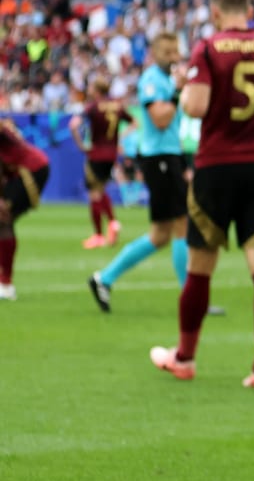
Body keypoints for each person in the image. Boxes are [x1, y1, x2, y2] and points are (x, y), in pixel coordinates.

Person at [150, 0, 254, 390]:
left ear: (215, 13)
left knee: (200, 268)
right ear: (248, 9)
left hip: (216, 167)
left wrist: (183, 87)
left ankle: (185, 358)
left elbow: (196, 107)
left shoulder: (209, 48)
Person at [89, 33, 196, 313]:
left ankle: (105, 278)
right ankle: (190, 298)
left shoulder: (164, 79)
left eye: (177, 51)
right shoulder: (152, 80)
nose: (175, 57)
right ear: (156, 53)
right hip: (159, 157)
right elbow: (160, 120)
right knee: (181, 225)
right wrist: (177, 90)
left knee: (161, 234)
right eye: (169, 51)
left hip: (168, 155)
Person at [69, 92, 131, 248]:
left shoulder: (93, 106)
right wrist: (120, 137)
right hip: (111, 154)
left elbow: (74, 124)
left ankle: (98, 235)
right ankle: (113, 222)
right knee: (101, 190)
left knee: (94, 194)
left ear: (95, 90)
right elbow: (134, 122)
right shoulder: (117, 106)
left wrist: (81, 144)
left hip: (96, 154)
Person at [0, 118, 50, 301]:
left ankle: (5, 285)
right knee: (4, 222)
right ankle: (5, 283)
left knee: (3, 221)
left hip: (29, 170)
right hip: (21, 170)